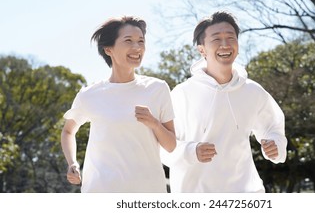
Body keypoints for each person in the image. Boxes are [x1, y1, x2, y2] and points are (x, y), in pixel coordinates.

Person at [163, 11, 287, 193]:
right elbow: (163, 145)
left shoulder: (252, 91)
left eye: (231, 38)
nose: (225, 44)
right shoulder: (182, 94)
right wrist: (191, 151)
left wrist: (275, 145)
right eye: (216, 39)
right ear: (202, 49)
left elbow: (273, 127)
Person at [61, 16, 176, 193]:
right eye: (128, 41)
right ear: (109, 49)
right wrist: (72, 162)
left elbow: (171, 145)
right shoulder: (90, 95)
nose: (137, 47)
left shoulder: (157, 89)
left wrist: (154, 123)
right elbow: (68, 131)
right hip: (101, 191)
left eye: (141, 41)